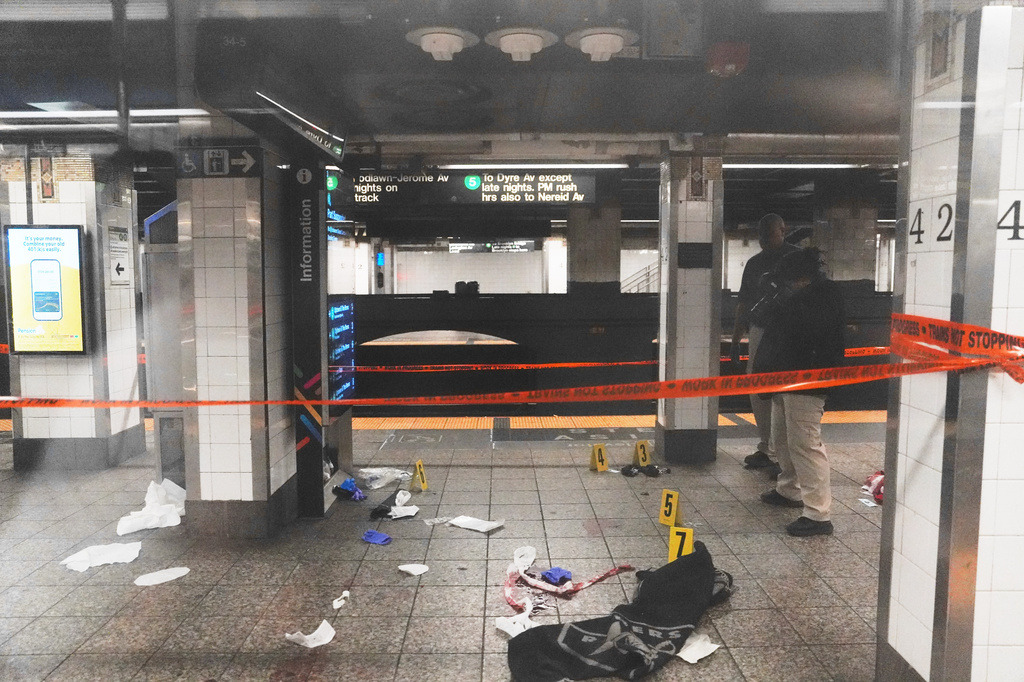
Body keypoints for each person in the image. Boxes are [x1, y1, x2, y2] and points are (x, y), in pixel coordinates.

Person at [753, 247, 845, 537]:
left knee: (805, 443)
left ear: (802, 279)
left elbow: (808, 331)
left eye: (789, 281)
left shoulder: (824, 298)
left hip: (808, 381)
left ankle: (818, 515)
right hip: (785, 378)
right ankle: (790, 489)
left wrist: (788, 303)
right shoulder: (801, 297)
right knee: (783, 438)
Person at [731, 213, 800, 477]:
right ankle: (766, 445)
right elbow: (744, 304)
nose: (762, 241)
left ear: (784, 230)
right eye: (759, 235)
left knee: (782, 392)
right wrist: (736, 341)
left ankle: (780, 451)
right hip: (760, 330)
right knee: (757, 386)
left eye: (767, 235)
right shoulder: (754, 263)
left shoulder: (797, 260)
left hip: (788, 332)